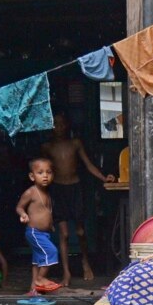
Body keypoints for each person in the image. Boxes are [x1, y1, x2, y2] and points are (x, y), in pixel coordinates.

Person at [41, 113, 116, 286]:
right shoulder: (47, 147)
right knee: (64, 234)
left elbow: (88, 164)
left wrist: (104, 178)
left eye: (61, 124)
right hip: (58, 191)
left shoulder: (75, 144)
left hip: (75, 188)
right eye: (55, 124)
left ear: (67, 126)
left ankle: (85, 260)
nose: (58, 128)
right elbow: (42, 171)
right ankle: (66, 272)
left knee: (80, 232)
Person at [15, 158, 61, 295]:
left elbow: (46, 212)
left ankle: (33, 290)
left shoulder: (47, 193)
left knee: (37, 262)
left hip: (44, 233)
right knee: (51, 251)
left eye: (49, 172)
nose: (45, 176)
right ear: (32, 176)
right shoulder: (31, 192)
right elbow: (19, 207)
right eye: (40, 172)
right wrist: (23, 214)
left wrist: (50, 225)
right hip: (34, 232)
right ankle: (40, 279)